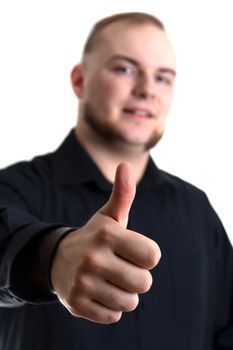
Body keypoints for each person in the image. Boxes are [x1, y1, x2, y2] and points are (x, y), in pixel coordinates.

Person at [0, 11, 232, 350]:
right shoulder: (17, 187)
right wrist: (52, 258)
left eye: (163, 77)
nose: (147, 90)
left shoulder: (197, 209)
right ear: (79, 80)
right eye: (125, 69)